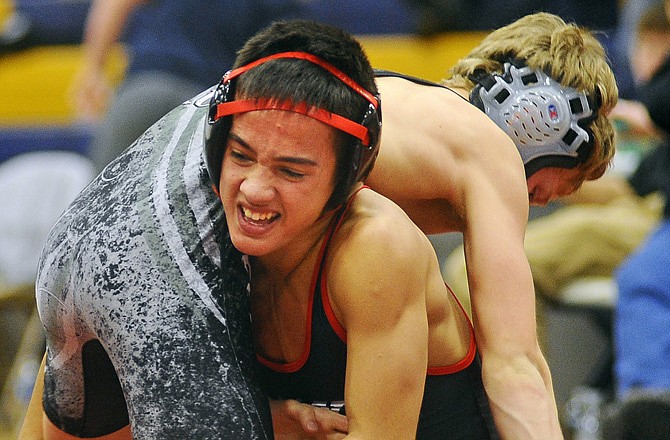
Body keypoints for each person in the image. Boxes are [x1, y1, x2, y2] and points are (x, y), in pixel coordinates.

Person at [20, 12, 619, 439]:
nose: (530, 208)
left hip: (93, 229)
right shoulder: (483, 151)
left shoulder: (365, 105)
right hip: (156, 242)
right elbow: (514, 366)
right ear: (535, 128)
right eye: (544, 191)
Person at [204, 19, 499, 439]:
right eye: (241, 156)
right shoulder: (200, 224)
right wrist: (261, 417)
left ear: (348, 178)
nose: (253, 190)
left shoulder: (375, 248)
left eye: (290, 172)